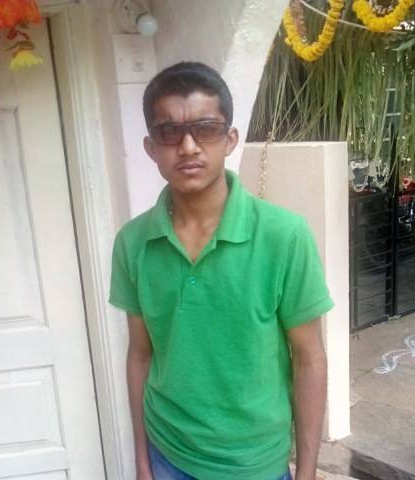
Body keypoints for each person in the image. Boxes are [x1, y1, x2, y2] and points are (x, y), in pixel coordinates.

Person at [109, 61, 334, 480]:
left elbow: (309, 358)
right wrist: (142, 461)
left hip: (255, 464)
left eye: (206, 129)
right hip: (168, 455)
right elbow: (140, 354)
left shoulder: (284, 236)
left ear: (230, 139)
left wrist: (307, 472)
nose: (188, 146)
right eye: (169, 132)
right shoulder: (133, 242)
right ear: (151, 147)